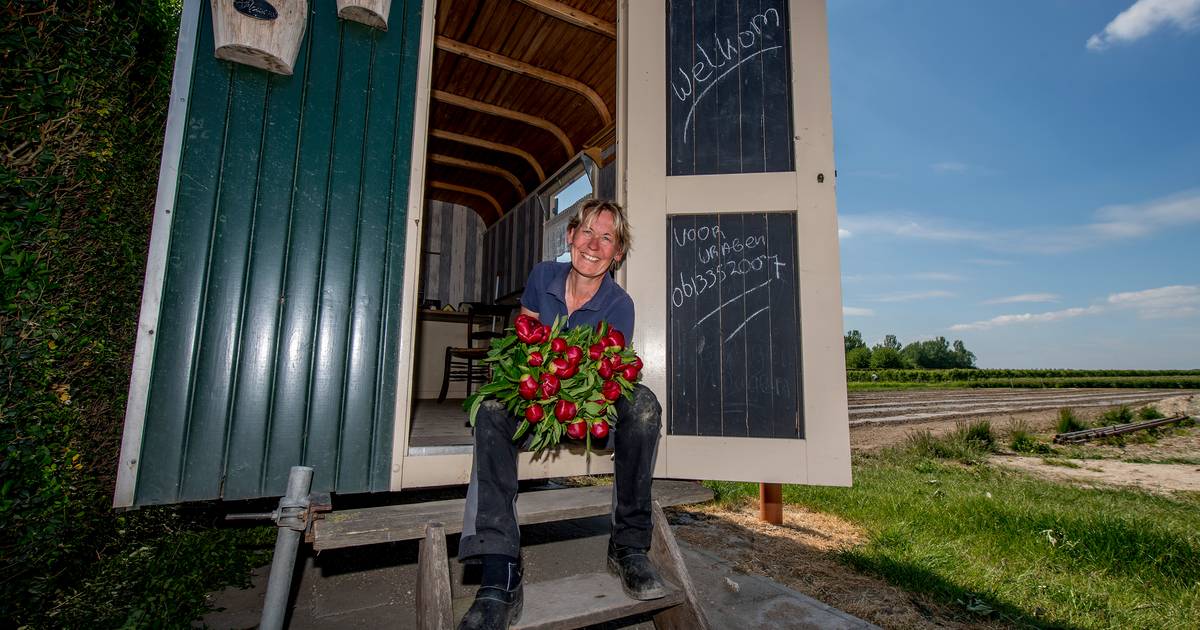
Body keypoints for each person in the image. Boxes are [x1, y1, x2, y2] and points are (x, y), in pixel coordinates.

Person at [458, 199, 666, 629]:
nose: (594, 244)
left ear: (618, 253)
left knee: (642, 404)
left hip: (588, 416)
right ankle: (500, 571)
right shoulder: (542, 276)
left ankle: (628, 546)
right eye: (586, 231)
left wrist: (567, 384)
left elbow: (605, 378)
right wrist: (536, 376)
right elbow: (523, 342)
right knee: (492, 408)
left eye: (607, 237)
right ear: (569, 236)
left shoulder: (619, 305)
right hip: (538, 407)